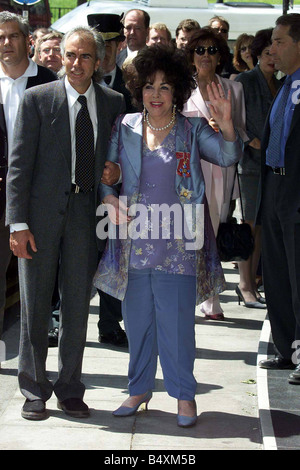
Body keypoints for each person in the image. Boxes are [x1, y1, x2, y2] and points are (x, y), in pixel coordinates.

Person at [94, 44, 243, 426]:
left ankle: (184, 396)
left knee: (178, 327)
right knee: (138, 322)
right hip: (133, 241)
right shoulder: (124, 126)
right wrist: (109, 198)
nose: (155, 95)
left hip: (180, 242)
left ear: (176, 90)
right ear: (137, 90)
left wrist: (226, 124)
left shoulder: (192, 129)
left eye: (163, 87)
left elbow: (227, 156)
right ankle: (139, 389)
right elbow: (107, 176)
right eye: (148, 86)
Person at [6, 25, 125, 420]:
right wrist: (17, 223)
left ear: (99, 61)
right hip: (38, 220)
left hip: (84, 216)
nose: (75, 63)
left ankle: (70, 388)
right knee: (35, 307)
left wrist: (114, 171)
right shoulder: (37, 99)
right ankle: (34, 389)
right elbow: (19, 166)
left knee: (77, 307)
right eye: (70, 55)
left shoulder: (113, 102)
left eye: (85, 56)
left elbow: (117, 157)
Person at [183, 28, 248, 319]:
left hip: (222, 169)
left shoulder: (233, 89)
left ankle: (208, 296)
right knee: (194, 232)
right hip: (190, 170)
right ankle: (205, 298)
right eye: (200, 50)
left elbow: (242, 132)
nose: (205, 56)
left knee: (212, 231)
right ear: (191, 55)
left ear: (220, 55)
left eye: (211, 50)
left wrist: (224, 126)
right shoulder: (181, 88)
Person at [0, 12, 57, 344]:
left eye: (14, 36)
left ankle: (37, 341)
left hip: (38, 194)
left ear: (28, 41)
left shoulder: (48, 81)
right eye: (1, 37)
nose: (7, 43)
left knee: (38, 274)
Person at [257, 13, 300, 384]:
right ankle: (286, 349)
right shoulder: (285, 86)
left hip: (296, 190)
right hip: (275, 186)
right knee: (276, 272)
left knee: (298, 274)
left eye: (280, 41)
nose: (272, 48)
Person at [87, 13, 135, 348]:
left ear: (119, 46)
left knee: (114, 255)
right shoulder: (75, 80)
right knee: (75, 257)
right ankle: (60, 319)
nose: (103, 52)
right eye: (97, 44)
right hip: (75, 186)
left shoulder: (130, 87)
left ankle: (109, 321)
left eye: (109, 44)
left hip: (116, 187)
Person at [234, 28, 281, 308]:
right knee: (248, 224)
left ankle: (253, 282)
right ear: (257, 54)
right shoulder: (245, 81)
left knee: (260, 226)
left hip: (270, 165)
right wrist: (252, 141)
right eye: (266, 53)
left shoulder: (279, 82)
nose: (271, 59)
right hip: (250, 164)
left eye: (273, 53)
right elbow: (236, 121)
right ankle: (244, 284)